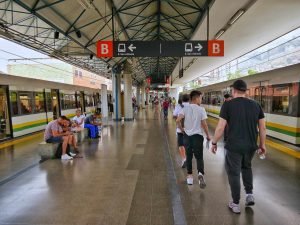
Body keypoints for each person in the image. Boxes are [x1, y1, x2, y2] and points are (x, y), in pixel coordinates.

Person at [210, 79, 266, 214]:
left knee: (234, 173)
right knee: (247, 167)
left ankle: (235, 203)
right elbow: (263, 128)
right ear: (245, 91)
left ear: (233, 91)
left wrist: (214, 142)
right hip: (250, 146)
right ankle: (249, 194)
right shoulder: (256, 105)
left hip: (233, 146)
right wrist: (262, 145)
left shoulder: (228, 105)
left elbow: (220, 128)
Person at [176, 91, 210, 188]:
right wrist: (208, 135)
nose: (201, 99)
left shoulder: (185, 109)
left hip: (187, 136)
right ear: (197, 98)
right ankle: (200, 173)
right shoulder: (201, 109)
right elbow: (204, 124)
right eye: (201, 98)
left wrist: (182, 130)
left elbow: (178, 120)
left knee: (189, 156)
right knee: (199, 157)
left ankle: (190, 177)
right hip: (198, 136)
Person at [173, 94, 189, 168]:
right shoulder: (192, 107)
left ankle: (184, 158)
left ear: (182, 100)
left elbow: (175, 116)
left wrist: (182, 129)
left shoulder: (178, 106)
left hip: (180, 130)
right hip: (190, 130)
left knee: (181, 144)